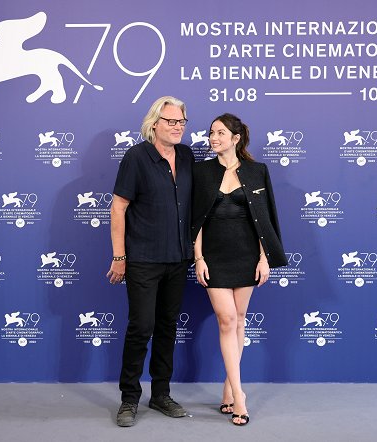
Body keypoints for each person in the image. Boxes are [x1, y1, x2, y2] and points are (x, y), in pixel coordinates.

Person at [191, 113, 287, 426]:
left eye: (220, 133)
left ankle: (227, 389)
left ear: (236, 138)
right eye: (211, 133)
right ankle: (240, 394)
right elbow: (196, 221)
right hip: (214, 257)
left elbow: (265, 217)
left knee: (240, 319)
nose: (213, 138)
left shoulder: (257, 171)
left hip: (247, 255)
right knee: (227, 318)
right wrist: (199, 258)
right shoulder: (201, 171)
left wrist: (263, 258)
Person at [107, 96, 194, 427]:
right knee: (141, 326)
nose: (177, 128)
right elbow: (118, 207)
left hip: (178, 259)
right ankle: (129, 399)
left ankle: (160, 395)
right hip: (143, 259)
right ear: (154, 123)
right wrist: (119, 256)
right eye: (170, 121)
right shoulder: (136, 157)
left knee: (167, 328)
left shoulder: (186, 156)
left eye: (181, 122)